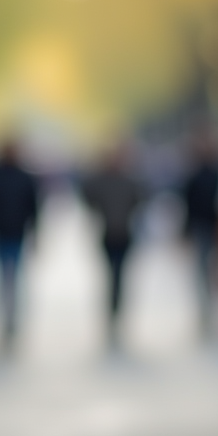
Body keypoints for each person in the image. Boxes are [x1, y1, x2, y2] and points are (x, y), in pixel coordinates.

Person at [0, 139, 40, 343]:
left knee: (13, 278)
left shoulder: (24, 177)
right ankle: (1, 316)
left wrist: (35, 231)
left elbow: (33, 207)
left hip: (16, 233)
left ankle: (11, 316)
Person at [81, 143, 145, 342]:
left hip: (124, 234)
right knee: (111, 275)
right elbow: (87, 194)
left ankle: (117, 310)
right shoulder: (102, 181)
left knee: (120, 275)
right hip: (108, 233)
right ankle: (111, 310)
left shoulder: (128, 180)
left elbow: (140, 198)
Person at [182, 126, 218, 335]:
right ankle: (207, 306)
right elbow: (188, 204)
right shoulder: (194, 173)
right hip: (202, 227)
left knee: (215, 268)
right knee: (203, 268)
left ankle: (214, 303)